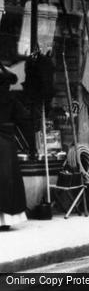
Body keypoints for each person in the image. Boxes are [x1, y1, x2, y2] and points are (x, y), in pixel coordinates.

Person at [0, 63, 27, 229]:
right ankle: (6, 220)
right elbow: (25, 119)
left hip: (5, 140)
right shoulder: (11, 99)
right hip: (6, 143)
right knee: (7, 179)